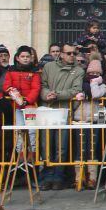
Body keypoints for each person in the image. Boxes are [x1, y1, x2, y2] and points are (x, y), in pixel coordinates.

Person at [39, 43, 85, 190]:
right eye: (69, 53)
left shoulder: (78, 70)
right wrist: (47, 95)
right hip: (47, 108)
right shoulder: (49, 67)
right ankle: (47, 176)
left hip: (64, 109)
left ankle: (58, 176)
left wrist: (57, 95)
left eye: (74, 53)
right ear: (62, 54)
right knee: (46, 144)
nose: (72, 56)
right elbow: (43, 85)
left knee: (61, 145)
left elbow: (75, 90)